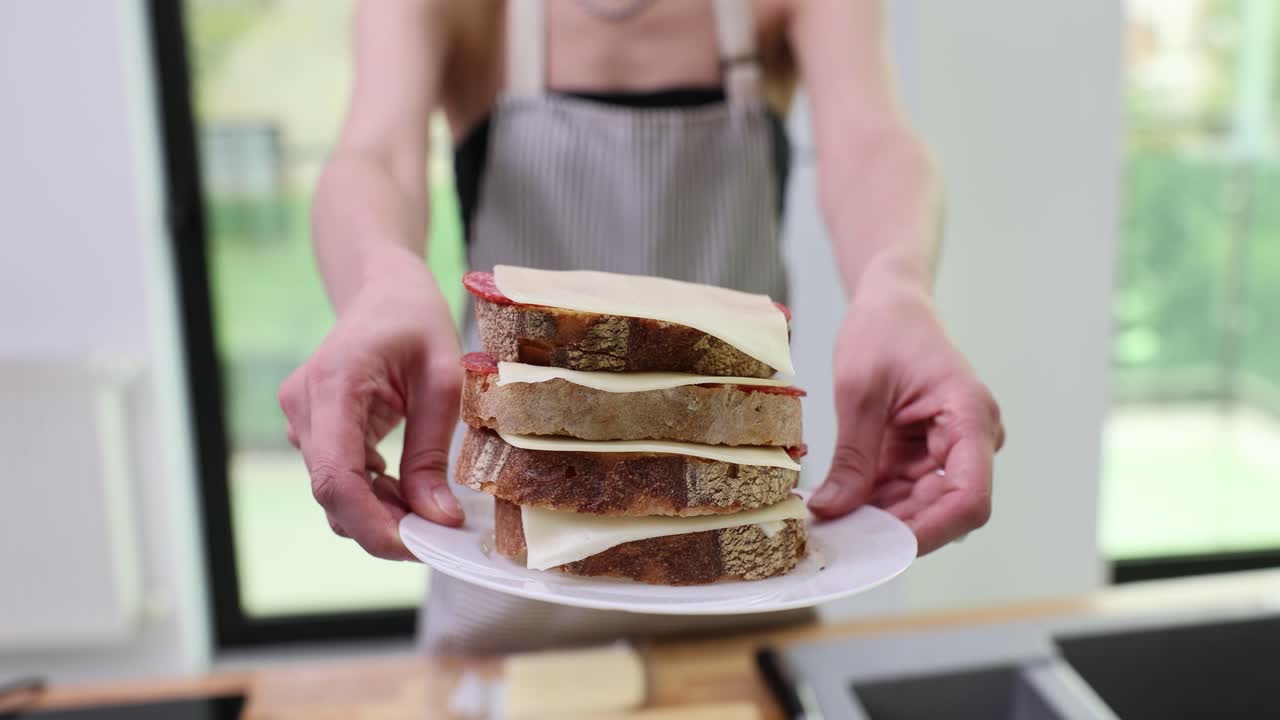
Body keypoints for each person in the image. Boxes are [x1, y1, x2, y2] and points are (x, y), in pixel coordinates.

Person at [279, 0, 1005, 654]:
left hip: (744, 591)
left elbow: (872, 143)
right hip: (503, 584)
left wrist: (897, 284)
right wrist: (379, 278)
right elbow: (372, 156)